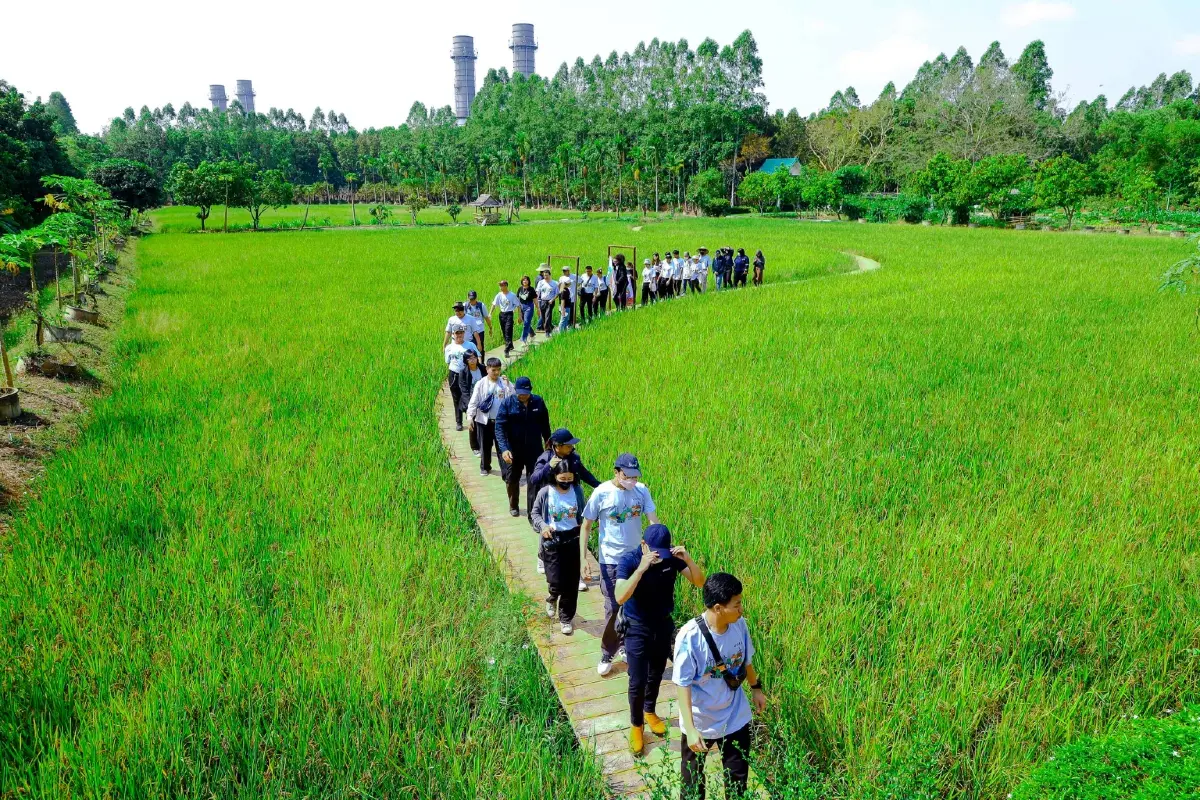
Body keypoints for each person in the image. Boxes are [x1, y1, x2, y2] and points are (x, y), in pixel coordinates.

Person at [673, 572, 768, 800]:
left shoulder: (739, 625)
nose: (741, 609)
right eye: (737, 605)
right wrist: (691, 729)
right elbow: (682, 684)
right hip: (701, 720)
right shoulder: (689, 637)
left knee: (737, 784)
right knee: (692, 786)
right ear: (718, 608)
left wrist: (756, 688)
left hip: (735, 716)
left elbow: (746, 661)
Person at [616, 524, 704, 755]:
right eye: (655, 552)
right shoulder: (630, 560)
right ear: (643, 545)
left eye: (662, 553)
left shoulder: (670, 558)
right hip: (637, 626)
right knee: (637, 680)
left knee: (656, 673)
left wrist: (688, 560)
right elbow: (620, 596)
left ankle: (650, 711)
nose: (659, 557)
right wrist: (641, 569)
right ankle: (636, 725)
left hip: (662, 624)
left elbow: (699, 582)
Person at [581, 453, 660, 676]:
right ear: (616, 472)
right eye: (627, 476)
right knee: (615, 607)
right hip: (611, 560)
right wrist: (583, 559)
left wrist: (660, 544)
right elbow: (586, 526)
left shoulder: (641, 491)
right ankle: (608, 651)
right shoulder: (601, 493)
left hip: (636, 558)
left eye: (635, 476)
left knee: (636, 605)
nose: (632, 481)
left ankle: (625, 644)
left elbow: (653, 521)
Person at [529, 428, 602, 582]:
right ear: (557, 446)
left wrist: (600, 487)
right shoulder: (546, 457)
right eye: (568, 445)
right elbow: (534, 479)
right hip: (551, 498)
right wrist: (549, 466)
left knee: (572, 530)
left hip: (570, 496)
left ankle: (576, 576)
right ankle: (542, 556)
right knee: (549, 528)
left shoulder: (573, 457)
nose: (571, 448)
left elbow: (584, 474)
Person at [530, 460, 586, 635]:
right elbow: (535, 513)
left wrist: (585, 525)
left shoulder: (577, 491)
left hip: (573, 538)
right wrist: (543, 526)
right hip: (553, 539)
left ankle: (566, 617)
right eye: (562, 478)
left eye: (569, 478)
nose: (566, 482)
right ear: (554, 476)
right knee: (555, 579)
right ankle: (552, 596)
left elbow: (583, 513)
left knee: (571, 582)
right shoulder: (546, 492)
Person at [495, 376, 551, 518]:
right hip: (513, 449)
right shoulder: (507, 403)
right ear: (515, 390)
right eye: (520, 393)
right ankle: (513, 505)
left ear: (530, 390)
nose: (523, 396)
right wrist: (504, 449)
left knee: (534, 479)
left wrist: (548, 441)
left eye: (526, 393)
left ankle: (533, 512)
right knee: (512, 479)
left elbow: (545, 424)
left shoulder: (538, 402)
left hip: (534, 448)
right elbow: (499, 427)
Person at [466, 356, 513, 477]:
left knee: (502, 446)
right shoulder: (481, 384)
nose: (496, 373)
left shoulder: (503, 383)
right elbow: (474, 401)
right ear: (487, 369)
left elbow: (513, 397)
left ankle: (506, 472)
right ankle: (485, 466)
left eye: (498, 369)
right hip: (484, 421)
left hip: (500, 422)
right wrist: (470, 417)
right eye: (493, 370)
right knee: (485, 446)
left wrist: (508, 385)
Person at [444, 324, 480, 432]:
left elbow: (478, 357)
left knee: (470, 396)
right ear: (453, 334)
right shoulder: (449, 348)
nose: (459, 335)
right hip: (454, 375)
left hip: (467, 374)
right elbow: (448, 361)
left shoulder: (470, 345)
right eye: (457, 333)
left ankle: (472, 418)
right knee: (456, 398)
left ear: (464, 333)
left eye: (461, 333)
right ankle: (459, 422)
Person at [459, 350, 486, 455]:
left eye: (474, 357)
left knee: (484, 423)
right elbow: (464, 390)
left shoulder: (483, 368)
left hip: (483, 400)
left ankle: (483, 444)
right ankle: (474, 447)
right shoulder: (463, 372)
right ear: (466, 360)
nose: (473, 360)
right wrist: (470, 406)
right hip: (471, 401)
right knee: (473, 424)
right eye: (470, 358)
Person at [491, 279, 519, 357]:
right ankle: (510, 345)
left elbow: (518, 305)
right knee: (504, 331)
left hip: (509, 314)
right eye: (500, 285)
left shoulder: (512, 295)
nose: (501, 287)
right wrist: (490, 314)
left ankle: (506, 349)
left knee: (508, 330)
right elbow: (494, 304)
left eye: (502, 285)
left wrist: (520, 316)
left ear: (506, 286)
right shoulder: (499, 295)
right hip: (502, 314)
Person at [517, 275, 537, 345]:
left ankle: (523, 339)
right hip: (521, 306)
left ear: (528, 281)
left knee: (526, 322)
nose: (525, 281)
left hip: (529, 306)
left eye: (526, 280)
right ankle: (532, 333)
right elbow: (517, 299)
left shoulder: (531, 289)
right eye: (523, 280)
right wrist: (516, 308)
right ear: (522, 281)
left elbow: (535, 299)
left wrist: (538, 309)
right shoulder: (520, 289)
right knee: (526, 322)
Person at [536, 268, 557, 335]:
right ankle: (549, 328)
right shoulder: (541, 282)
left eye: (547, 275)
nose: (546, 277)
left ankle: (547, 332)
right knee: (543, 317)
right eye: (544, 275)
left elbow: (557, 294)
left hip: (550, 301)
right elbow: (538, 292)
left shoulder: (554, 283)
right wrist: (537, 301)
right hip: (542, 301)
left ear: (550, 275)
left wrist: (552, 300)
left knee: (547, 316)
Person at [557, 267, 576, 332]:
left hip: (566, 307)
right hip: (565, 307)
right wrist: (563, 310)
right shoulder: (564, 291)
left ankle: (564, 331)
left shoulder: (564, 289)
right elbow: (562, 301)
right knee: (563, 320)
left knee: (565, 320)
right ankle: (560, 332)